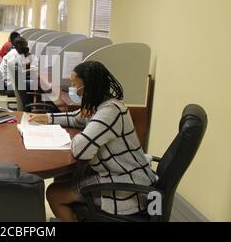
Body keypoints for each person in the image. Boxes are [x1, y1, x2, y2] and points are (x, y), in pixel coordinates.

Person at [29, 61, 157, 221]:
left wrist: (76, 136)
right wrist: (47, 118)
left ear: (88, 85)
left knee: (54, 194)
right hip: (120, 171)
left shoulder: (110, 111)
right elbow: (77, 119)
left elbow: (81, 150)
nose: (73, 90)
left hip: (127, 184)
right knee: (62, 178)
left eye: (75, 86)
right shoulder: (102, 104)